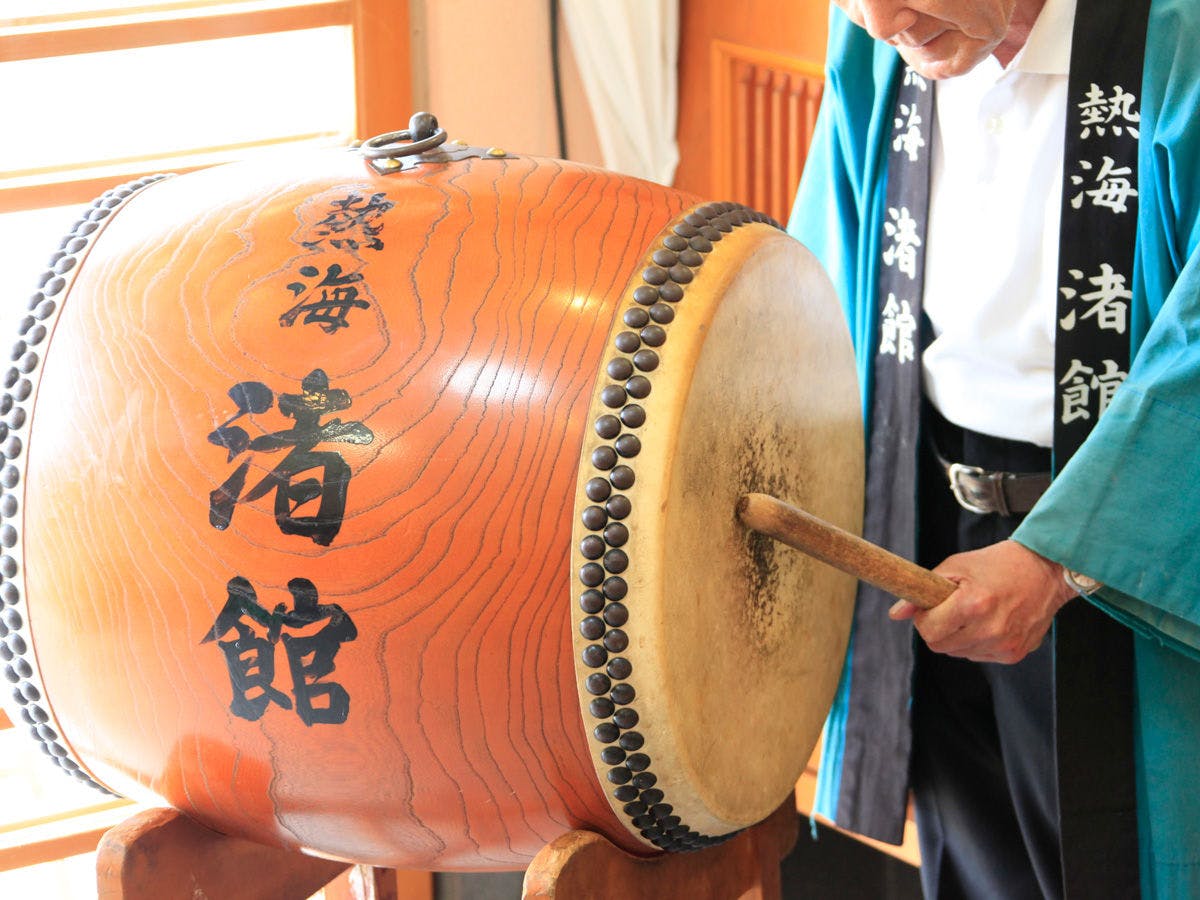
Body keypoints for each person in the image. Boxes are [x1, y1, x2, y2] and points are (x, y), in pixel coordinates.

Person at [788, 0, 1200, 896]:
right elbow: (816, 281)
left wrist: (1060, 560)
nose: (880, 18)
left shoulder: (1176, 39)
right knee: (975, 863)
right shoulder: (882, 42)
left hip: (1123, 536)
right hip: (927, 513)